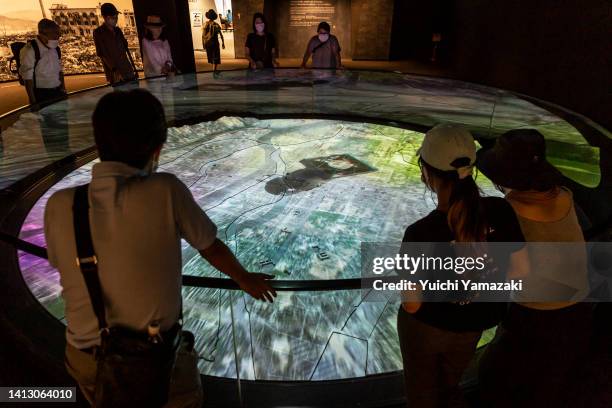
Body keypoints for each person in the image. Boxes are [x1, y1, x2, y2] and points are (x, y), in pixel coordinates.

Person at [44, 89, 276, 405]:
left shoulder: (59, 205)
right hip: (156, 359)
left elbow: (61, 265)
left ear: (98, 143)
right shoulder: (165, 190)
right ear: (157, 149)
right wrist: (244, 278)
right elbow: (210, 246)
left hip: (84, 357)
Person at [397, 124, 527, 407]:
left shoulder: (420, 233)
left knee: (423, 396)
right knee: (450, 385)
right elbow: (520, 272)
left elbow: (412, 305)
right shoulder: (501, 210)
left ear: (426, 174)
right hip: (475, 324)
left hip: (427, 330)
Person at [477, 129, 593, 407]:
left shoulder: (510, 208)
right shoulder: (564, 195)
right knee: (550, 383)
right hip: (581, 307)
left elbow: (511, 270)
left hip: (538, 316)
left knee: (494, 379)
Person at [19, 19, 66, 109]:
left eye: (58, 34)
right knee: (49, 121)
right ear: (43, 34)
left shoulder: (55, 48)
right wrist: (33, 102)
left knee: (62, 120)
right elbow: (27, 79)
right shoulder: (30, 50)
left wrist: (63, 90)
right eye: (55, 34)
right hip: (42, 95)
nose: (58, 37)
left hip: (58, 91)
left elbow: (59, 71)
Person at [93, 3, 138, 85]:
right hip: (115, 73)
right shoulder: (98, 33)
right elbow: (102, 54)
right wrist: (114, 70)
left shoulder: (118, 30)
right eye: (113, 18)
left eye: (116, 17)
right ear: (105, 18)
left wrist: (133, 68)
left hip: (127, 69)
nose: (116, 20)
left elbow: (125, 49)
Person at [202, 9, 224, 74]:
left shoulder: (206, 24)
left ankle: (214, 70)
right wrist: (223, 43)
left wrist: (203, 44)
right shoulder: (216, 24)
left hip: (209, 43)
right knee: (215, 56)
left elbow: (203, 35)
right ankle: (214, 70)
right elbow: (220, 34)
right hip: (215, 42)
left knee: (212, 57)